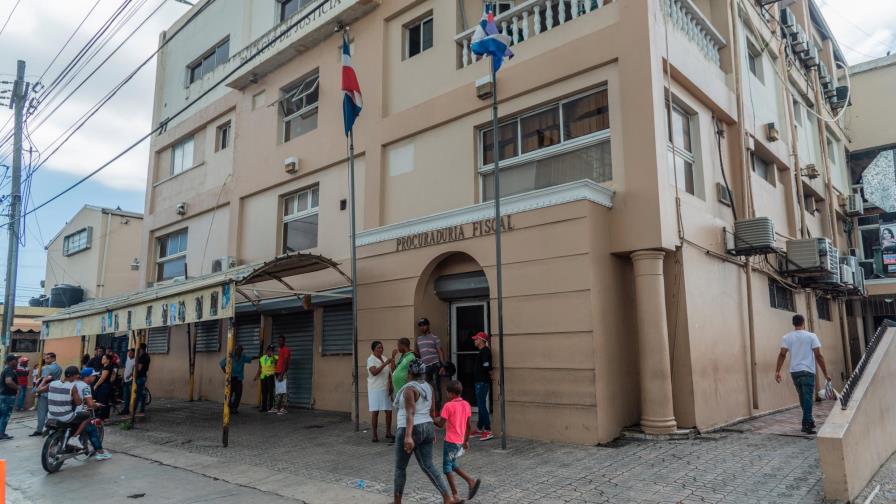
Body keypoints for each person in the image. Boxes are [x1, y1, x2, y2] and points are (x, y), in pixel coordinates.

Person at [393, 358, 460, 504]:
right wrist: (432, 432)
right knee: (428, 465)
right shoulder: (429, 387)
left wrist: (408, 436)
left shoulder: (409, 390)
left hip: (409, 429)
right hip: (427, 427)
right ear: (423, 373)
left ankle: (397, 502)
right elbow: (432, 412)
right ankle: (447, 498)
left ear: (409, 373)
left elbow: (410, 413)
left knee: (400, 468)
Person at [775, 313, 831, 435]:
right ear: (803, 323)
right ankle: (806, 425)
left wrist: (777, 371)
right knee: (807, 399)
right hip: (808, 371)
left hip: (795, 372)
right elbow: (818, 355)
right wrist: (826, 373)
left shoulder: (787, 337)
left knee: (803, 398)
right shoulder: (811, 336)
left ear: (793, 323)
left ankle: (809, 420)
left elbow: (782, 354)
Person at [434, 380, 481, 501]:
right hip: (460, 440)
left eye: (447, 393)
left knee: (447, 467)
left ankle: (455, 495)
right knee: (453, 464)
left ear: (450, 394)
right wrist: (466, 441)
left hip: (450, 441)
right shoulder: (466, 404)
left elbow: (440, 424)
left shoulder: (448, 406)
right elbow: (468, 426)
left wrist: (431, 419)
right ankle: (471, 481)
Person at [415, 318, 446, 407]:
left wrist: (443, 365)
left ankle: (438, 408)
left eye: (424, 325)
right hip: (424, 366)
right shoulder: (418, 339)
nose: (422, 327)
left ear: (428, 325)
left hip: (435, 365)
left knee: (436, 386)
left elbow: (440, 351)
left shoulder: (434, 338)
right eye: (420, 325)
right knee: (424, 387)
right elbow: (418, 353)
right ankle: (427, 407)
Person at [367, 341, 394, 442]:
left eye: (381, 348)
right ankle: (374, 434)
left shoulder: (384, 358)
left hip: (385, 388)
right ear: (373, 349)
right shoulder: (371, 359)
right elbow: (374, 372)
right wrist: (385, 364)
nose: (380, 349)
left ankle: (388, 432)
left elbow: (389, 374)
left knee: (389, 411)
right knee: (376, 411)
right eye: (378, 348)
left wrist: (391, 386)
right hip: (375, 389)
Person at [31, 352, 62, 436]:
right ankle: (51, 429)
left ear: (53, 358)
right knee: (51, 412)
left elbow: (43, 380)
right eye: (45, 358)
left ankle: (39, 430)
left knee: (41, 412)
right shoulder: (59, 368)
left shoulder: (46, 368)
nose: (45, 359)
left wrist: (36, 390)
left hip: (44, 392)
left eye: (48, 358)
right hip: (54, 392)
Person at [471, 332, 494, 441]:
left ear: (481, 340)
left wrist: (487, 372)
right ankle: (480, 428)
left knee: (481, 405)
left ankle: (488, 430)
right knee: (480, 405)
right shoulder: (482, 351)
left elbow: (487, 365)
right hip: (479, 382)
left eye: (476, 339)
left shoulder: (485, 351)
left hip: (482, 382)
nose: (474, 341)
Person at [220, 345, 254, 414]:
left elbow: (250, 358)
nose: (237, 351)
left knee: (238, 394)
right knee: (229, 394)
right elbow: (222, 364)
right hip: (231, 378)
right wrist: (226, 372)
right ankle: (227, 407)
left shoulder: (243, 357)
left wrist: (260, 356)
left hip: (239, 379)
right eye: (236, 350)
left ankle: (234, 408)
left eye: (239, 350)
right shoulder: (231, 356)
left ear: (241, 351)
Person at [0, 355, 20, 441]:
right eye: (16, 360)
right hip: (8, 396)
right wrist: (18, 388)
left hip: (3, 395)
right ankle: (1, 434)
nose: (17, 361)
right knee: (5, 416)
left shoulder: (6, 370)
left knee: (1, 415)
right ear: (11, 361)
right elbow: (8, 381)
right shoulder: (9, 370)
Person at [254, 345, 277, 413]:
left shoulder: (275, 357)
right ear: (267, 351)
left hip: (270, 376)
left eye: (272, 350)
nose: (270, 351)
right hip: (263, 377)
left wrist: (272, 356)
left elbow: (276, 362)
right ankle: (264, 407)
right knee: (264, 393)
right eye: (269, 350)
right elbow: (260, 368)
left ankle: (271, 407)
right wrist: (256, 376)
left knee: (271, 392)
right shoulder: (262, 358)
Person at [93, 353, 115, 420]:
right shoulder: (106, 367)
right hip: (106, 385)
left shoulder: (107, 367)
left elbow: (103, 378)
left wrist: (96, 385)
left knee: (103, 401)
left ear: (108, 360)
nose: (102, 359)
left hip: (104, 386)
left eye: (104, 358)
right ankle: (104, 416)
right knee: (104, 401)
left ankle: (103, 417)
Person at [274, 335, 291, 413]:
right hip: (277, 372)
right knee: (278, 391)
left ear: (284, 341)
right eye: (279, 340)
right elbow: (279, 361)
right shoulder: (279, 350)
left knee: (284, 391)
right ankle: (278, 408)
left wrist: (281, 374)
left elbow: (285, 362)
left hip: (282, 373)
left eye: (281, 340)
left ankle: (283, 408)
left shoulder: (286, 350)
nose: (279, 342)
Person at [134, 343, 151, 416]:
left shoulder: (142, 357)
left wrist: (134, 369)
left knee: (138, 394)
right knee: (142, 394)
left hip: (140, 377)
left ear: (141, 349)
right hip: (144, 376)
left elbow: (139, 368)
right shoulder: (147, 356)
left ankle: (134, 410)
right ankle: (142, 409)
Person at [119, 349, 136, 415]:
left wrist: (130, 375)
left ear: (134, 353)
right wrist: (123, 378)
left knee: (130, 396)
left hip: (130, 380)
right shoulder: (127, 359)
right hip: (125, 380)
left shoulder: (135, 360)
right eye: (128, 353)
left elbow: (134, 370)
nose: (129, 354)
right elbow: (125, 369)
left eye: (131, 353)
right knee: (125, 396)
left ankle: (131, 409)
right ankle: (126, 409)